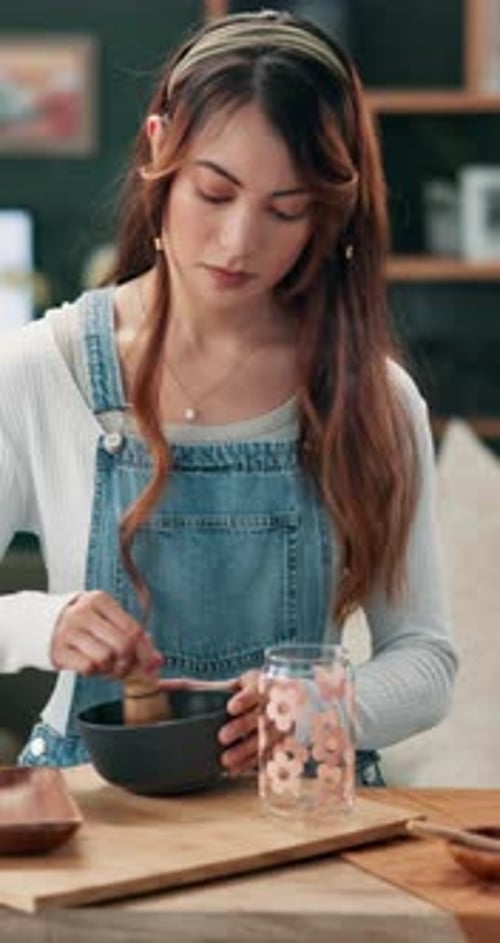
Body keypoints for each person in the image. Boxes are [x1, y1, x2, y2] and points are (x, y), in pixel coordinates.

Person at [0, 9, 457, 785]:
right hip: (91, 813)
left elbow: (426, 659)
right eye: (215, 192)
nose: (240, 242)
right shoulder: (43, 369)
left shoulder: (372, 398)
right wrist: (46, 623)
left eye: (286, 210)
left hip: (301, 811)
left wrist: (322, 704)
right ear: (158, 149)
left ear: (327, 214)